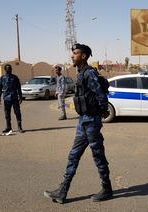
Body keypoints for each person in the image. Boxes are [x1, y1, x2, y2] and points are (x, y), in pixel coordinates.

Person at [44, 43, 112, 204]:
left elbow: (101, 95)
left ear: (83, 56)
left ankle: (107, 188)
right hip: (84, 120)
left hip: (91, 121)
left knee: (98, 155)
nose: (72, 56)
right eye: (72, 53)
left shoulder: (89, 73)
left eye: (75, 53)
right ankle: (63, 190)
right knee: (74, 155)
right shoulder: (81, 73)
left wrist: (101, 113)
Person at [0, 64, 24, 133]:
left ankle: (19, 127)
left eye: (10, 68)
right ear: (5, 69)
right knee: (7, 114)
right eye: (8, 68)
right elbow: (0, 89)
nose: (10, 69)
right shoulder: (2, 78)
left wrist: (20, 96)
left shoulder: (15, 77)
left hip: (14, 97)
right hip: (6, 98)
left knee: (17, 113)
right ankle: (8, 127)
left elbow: (19, 88)